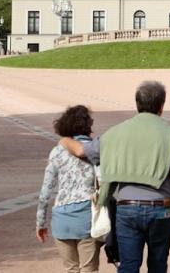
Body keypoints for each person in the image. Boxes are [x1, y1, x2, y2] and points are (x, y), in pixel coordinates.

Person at [59, 81, 170, 273]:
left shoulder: (115, 133)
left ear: (137, 104)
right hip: (162, 210)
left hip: (127, 208)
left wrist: (63, 140)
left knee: (129, 266)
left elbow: (81, 151)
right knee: (157, 265)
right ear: (162, 106)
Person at [37, 105, 103, 273]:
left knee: (71, 269)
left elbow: (45, 192)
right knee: (89, 269)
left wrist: (41, 223)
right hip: (87, 217)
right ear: (88, 125)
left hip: (61, 219)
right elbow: (103, 181)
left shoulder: (57, 151)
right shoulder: (95, 149)